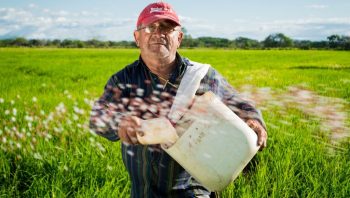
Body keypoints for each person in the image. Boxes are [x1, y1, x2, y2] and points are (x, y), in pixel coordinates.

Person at [90, 1, 267, 197]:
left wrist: (254, 120)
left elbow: (240, 104)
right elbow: (98, 117)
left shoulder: (201, 76)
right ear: (137, 37)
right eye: (150, 27)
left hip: (194, 191)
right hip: (143, 192)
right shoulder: (123, 80)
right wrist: (119, 123)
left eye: (167, 27)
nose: (158, 33)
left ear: (179, 37)